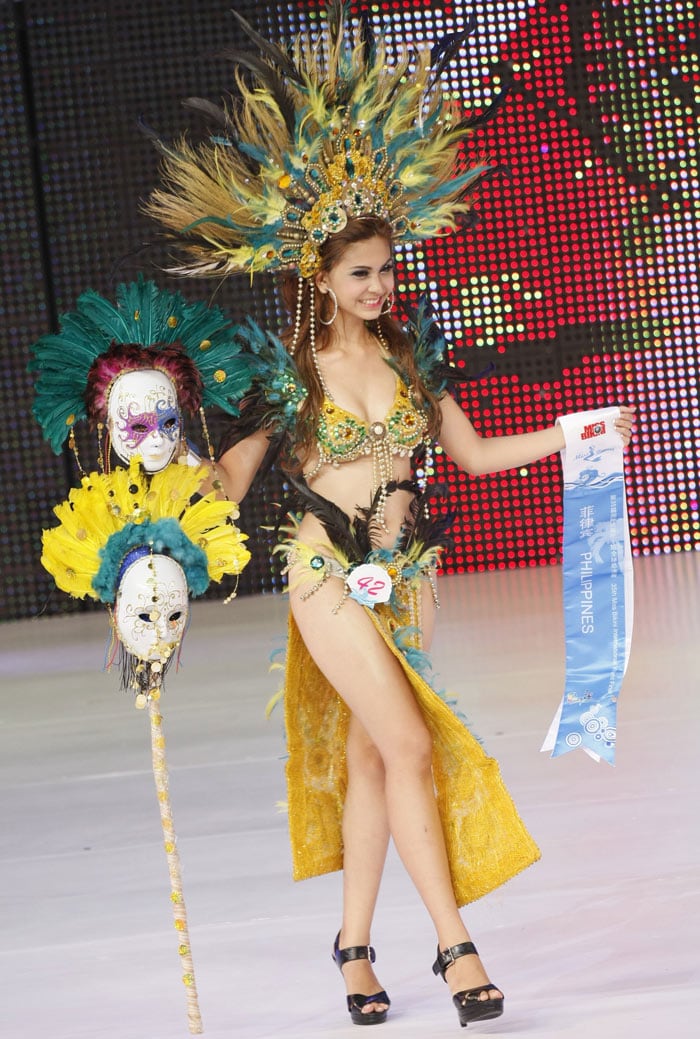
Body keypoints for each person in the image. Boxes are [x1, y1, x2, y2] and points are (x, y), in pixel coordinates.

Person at [143, 3, 634, 1026]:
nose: (381, 285)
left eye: (387, 269)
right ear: (317, 278)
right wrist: (156, 485)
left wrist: (574, 433)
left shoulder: (414, 354)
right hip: (323, 572)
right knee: (410, 746)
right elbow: (229, 484)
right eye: (360, 273)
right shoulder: (287, 373)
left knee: (373, 754)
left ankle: (354, 948)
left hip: (409, 575)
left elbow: (469, 455)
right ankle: (456, 946)